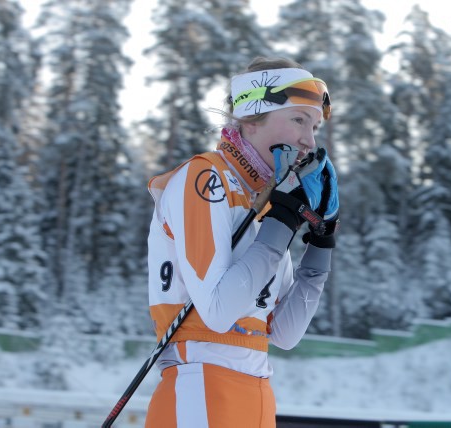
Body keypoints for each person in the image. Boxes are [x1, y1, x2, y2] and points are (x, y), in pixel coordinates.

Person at [144, 56, 339, 428]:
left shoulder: (266, 206)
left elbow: (284, 333)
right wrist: (283, 221)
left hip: (256, 392)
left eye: (314, 126)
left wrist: (321, 243)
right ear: (251, 119)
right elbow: (218, 310)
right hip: (202, 386)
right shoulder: (205, 178)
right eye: (299, 120)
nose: (309, 140)